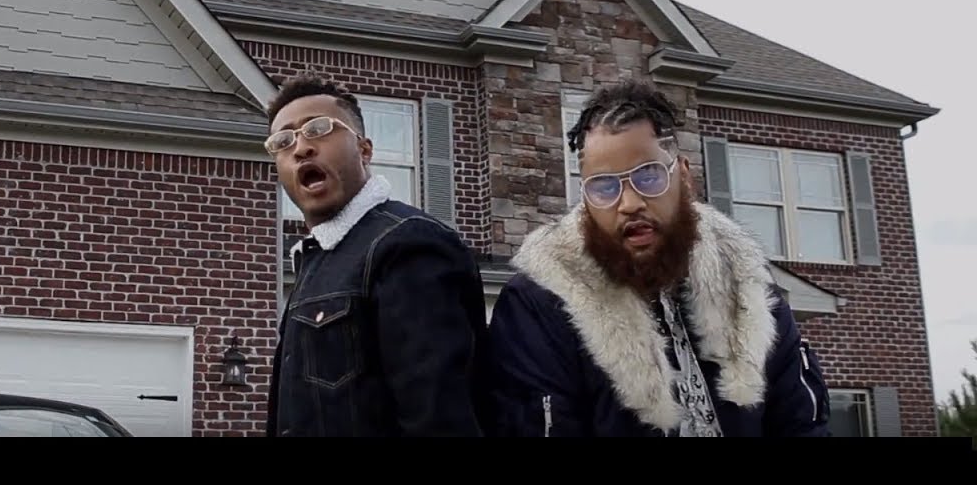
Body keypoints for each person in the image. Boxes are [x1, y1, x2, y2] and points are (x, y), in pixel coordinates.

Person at [484, 79, 832, 437]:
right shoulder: (541, 303)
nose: (629, 203)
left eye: (648, 176)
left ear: (683, 175)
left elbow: (801, 425)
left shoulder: (746, 286)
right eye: (604, 187)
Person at [263, 72, 490, 437]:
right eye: (283, 140)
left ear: (365, 150)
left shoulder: (409, 244)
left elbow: (438, 418)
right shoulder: (315, 260)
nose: (301, 147)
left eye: (319, 128)